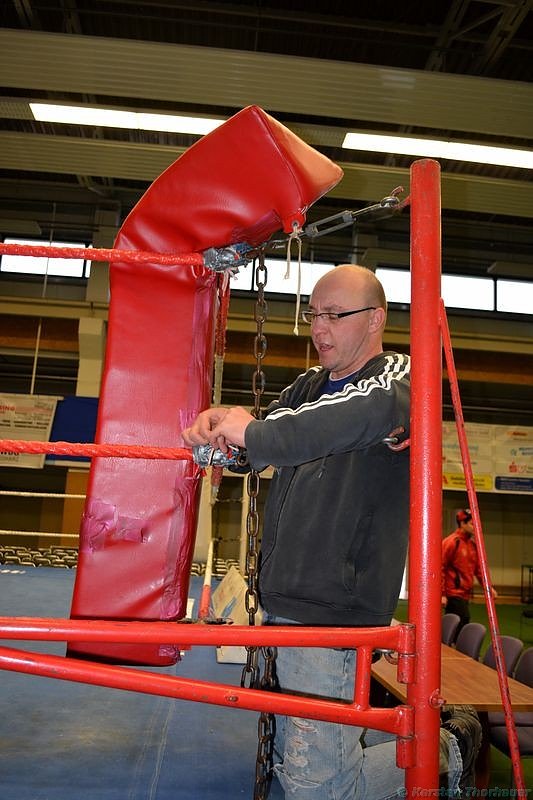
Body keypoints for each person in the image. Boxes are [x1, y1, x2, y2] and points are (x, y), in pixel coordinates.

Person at [183, 265, 454, 799]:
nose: (319, 327)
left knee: (318, 788)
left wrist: (252, 429)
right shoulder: (308, 385)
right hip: (284, 600)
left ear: (376, 319)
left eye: (335, 315)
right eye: (313, 314)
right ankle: (432, 746)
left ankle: (446, 751)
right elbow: (262, 444)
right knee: (303, 765)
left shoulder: (400, 379)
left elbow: (312, 428)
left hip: (332, 611)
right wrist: (214, 435)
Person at [441, 508, 497, 633]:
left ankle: (452, 647)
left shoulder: (472, 545)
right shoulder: (451, 542)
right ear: (462, 523)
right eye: (473, 524)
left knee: (460, 624)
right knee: (461, 621)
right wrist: (442, 594)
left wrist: (488, 588)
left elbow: (479, 571)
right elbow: (440, 568)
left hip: (465, 593)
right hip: (453, 593)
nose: (476, 527)